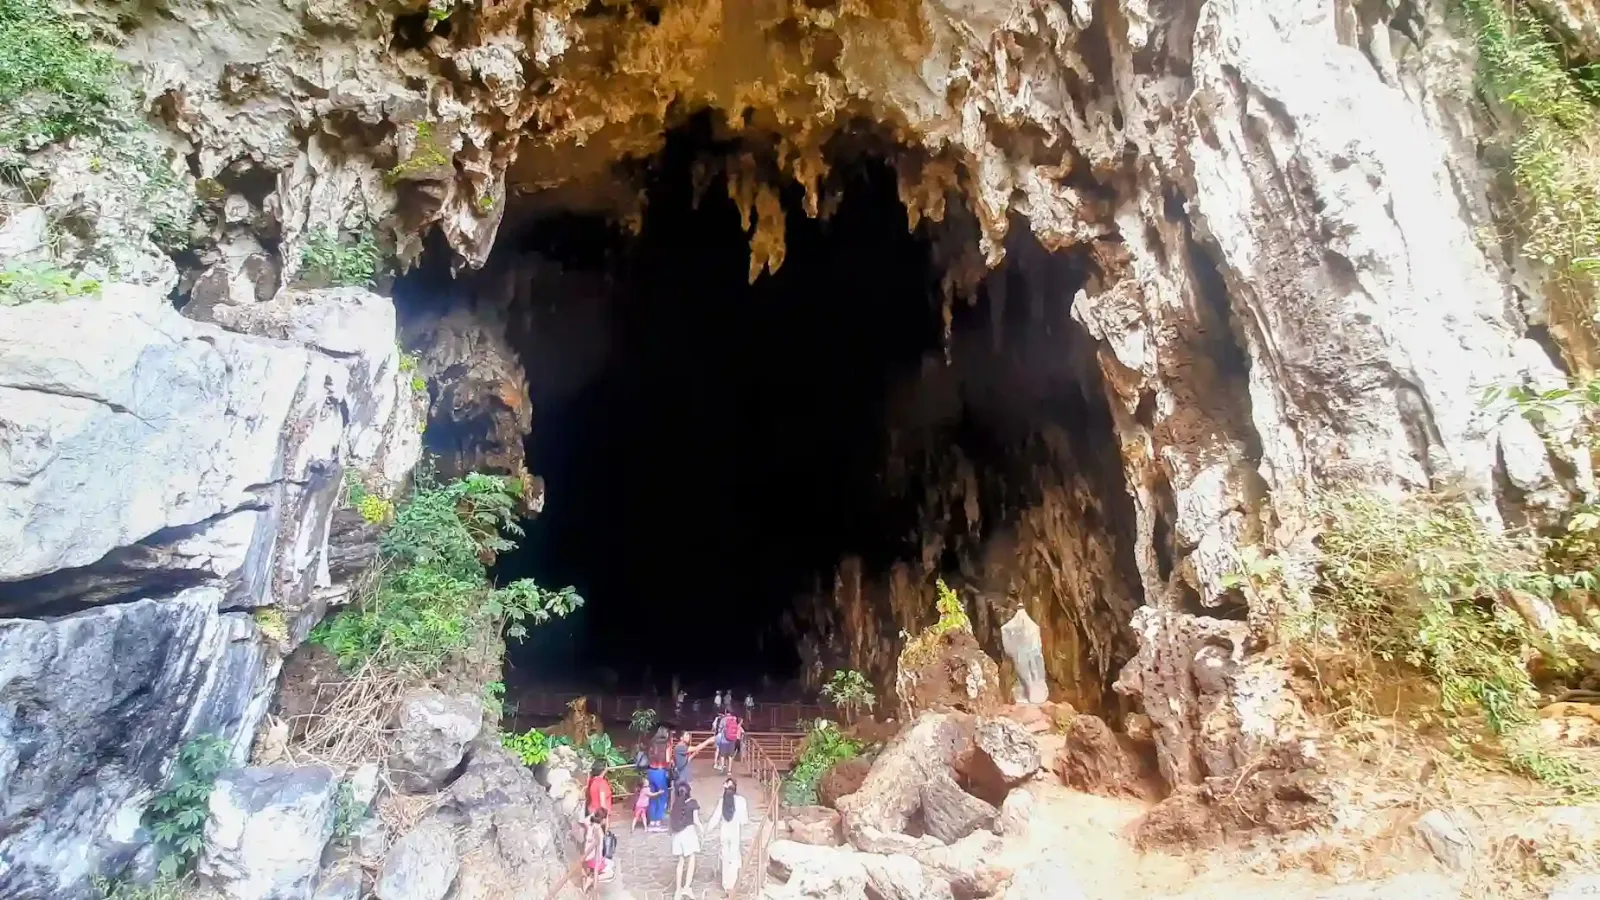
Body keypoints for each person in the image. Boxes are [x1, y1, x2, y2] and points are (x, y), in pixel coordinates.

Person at [714, 777, 750, 894]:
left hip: (724, 832)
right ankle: (731, 884)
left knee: (725, 857)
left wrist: (706, 829)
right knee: (733, 857)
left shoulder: (721, 801)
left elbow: (715, 818)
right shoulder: (741, 801)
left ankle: (725, 884)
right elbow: (744, 820)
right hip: (735, 832)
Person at [669, 783, 704, 898]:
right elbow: (696, 820)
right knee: (691, 859)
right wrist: (702, 830)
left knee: (680, 862)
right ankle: (687, 887)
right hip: (689, 833)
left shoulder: (675, 805)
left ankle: (677, 890)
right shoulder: (692, 803)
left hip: (678, 834)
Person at [581, 809, 606, 895]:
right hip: (594, 855)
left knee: (590, 869)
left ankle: (588, 881)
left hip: (587, 854)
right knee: (598, 869)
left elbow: (586, 820)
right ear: (602, 819)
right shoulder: (598, 829)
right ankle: (591, 883)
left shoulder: (590, 824)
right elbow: (599, 846)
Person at [646, 760, 672, 830]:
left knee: (652, 798)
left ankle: (652, 822)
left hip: (650, 772)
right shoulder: (663, 749)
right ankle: (657, 822)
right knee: (662, 798)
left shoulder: (651, 749)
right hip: (660, 771)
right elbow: (667, 761)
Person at [717, 707, 742, 774]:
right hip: (732, 740)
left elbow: (719, 728)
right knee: (730, 756)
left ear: (726, 713)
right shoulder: (734, 719)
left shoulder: (723, 719)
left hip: (724, 740)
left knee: (722, 755)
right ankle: (729, 770)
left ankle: (722, 768)